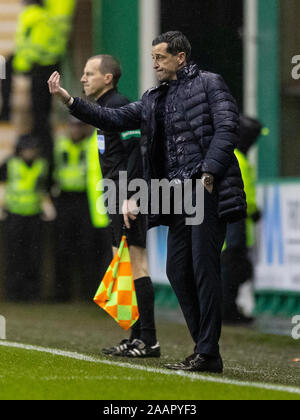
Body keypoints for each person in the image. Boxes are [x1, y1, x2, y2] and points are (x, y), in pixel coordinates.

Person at [48, 31, 246, 373]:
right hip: (177, 196)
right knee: (176, 270)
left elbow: (229, 128)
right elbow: (113, 119)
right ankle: (204, 348)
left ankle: (207, 350)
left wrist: (209, 173)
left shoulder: (211, 83)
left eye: (160, 57)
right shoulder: (155, 98)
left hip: (205, 190)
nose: (154, 63)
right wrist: (70, 101)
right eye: (153, 57)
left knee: (203, 267)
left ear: (180, 57)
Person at [54, 54, 159, 358]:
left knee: (137, 264)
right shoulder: (104, 109)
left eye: (89, 73)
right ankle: (135, 337)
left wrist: (132, 196)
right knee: (124, 267)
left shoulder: (119, 106)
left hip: (127, 197)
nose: (84, 78)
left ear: (107, 78)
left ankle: (149, 340)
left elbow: (137, 154)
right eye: (83, 73)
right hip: (116, 196)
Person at [0, 0, 76, 159]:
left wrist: (22, 69)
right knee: (40, 116)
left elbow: (28, 47)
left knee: (39, 117)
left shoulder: (32, 16)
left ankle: (6, 108)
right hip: (47, 65)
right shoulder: (47, 16)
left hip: (37, 70)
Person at [52, 116, 111, 302]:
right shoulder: (60, 146)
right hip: (64, 199)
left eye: (79, 126)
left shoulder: (90, 146)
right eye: (73, 126)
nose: (76, 130)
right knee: (63, 249)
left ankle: (88, 292)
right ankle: (62, 293)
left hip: (85, 201)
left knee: (87, 249)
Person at [0, 134, 54, 301]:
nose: (29, 152)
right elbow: (2, 186)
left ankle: (32, 291)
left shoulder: (43, 165)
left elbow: (46, 188)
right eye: (26, 149)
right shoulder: (9, 164)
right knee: (15, 255)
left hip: (34, 215)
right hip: (14, 215)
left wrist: (48, 209)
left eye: (32, 149)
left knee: (34, 256)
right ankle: (14, 291)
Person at [222, 115, 263, 324]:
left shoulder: (236, 156)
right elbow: (242, 193)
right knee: (233, 269)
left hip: (236, 226)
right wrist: (254, 210)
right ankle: (227, 312)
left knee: (235, 269)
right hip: (234, 225)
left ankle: (229, 310)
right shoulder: (237, 158)